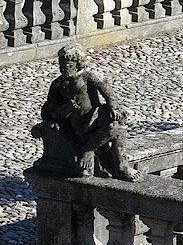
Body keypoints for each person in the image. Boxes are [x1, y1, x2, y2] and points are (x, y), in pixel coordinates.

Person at [32, 44, 139, 181]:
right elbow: (52, 112)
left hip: (96, 118)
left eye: (68, 65)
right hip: (78, 127)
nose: (64, 68)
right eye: (61, 65)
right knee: (84, 173)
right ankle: (88, 149)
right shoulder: (58, 85)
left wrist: (113, 107)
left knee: (117, 130)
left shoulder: (88, 78)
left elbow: (109, 93)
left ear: (77, 64)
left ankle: (121, 168)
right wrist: (68, 109)